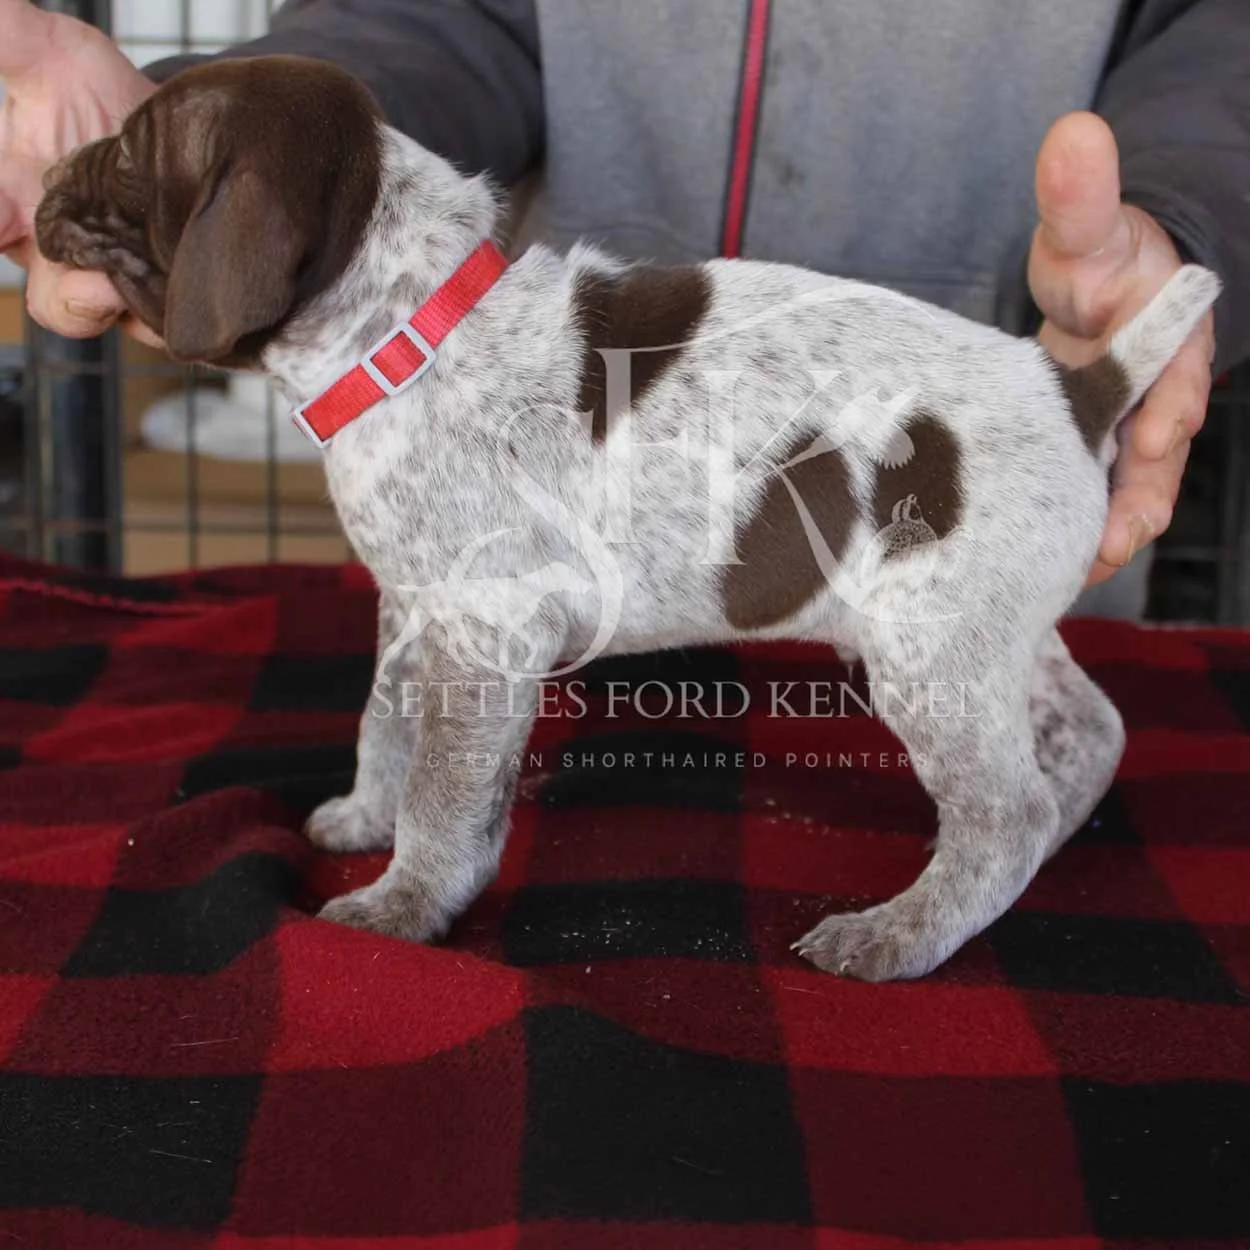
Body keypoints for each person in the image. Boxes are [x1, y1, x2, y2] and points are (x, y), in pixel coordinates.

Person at [1, 0, 1247, 615]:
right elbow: (440, 15)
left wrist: (1179, 217)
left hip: (953, 517)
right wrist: (191, 165)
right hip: (556, 556)